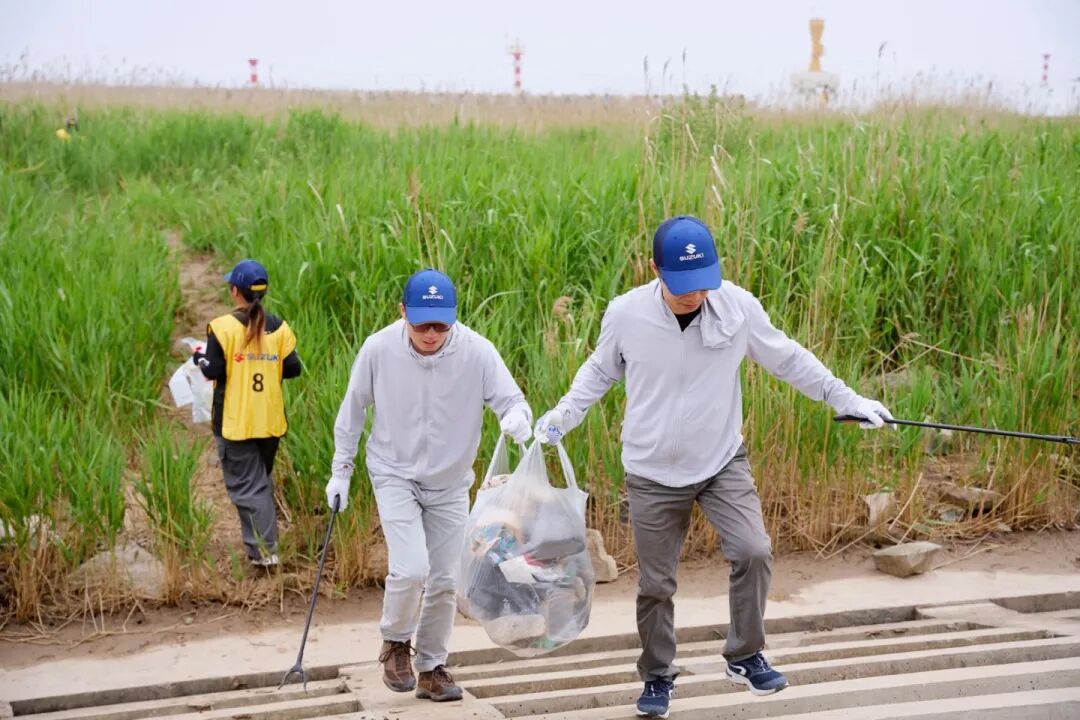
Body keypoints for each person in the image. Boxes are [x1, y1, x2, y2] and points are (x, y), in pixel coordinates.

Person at [535, 216, 892, 718]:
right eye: (683, 287)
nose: (696, 295)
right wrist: (563, 415)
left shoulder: (738, 306)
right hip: (652, 471)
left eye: (704, 283)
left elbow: (787, 358)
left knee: (754, 550)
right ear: (655, 269)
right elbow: (600, 370)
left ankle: (745, 655)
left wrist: (848, 398)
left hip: (721, 460)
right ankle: (658, 676)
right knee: (656, 585)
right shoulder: (626, 314)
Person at [325, 268, 532, 703]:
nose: (432, 334)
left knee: (444, 579)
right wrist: (340, 471)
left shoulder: (477, 351)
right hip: (394, 473)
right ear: (403, 313)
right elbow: (353, 411)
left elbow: (511, 399)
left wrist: (517, 418)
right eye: (422, 324)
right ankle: (395, 643)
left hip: (450, 480)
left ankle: (432, 666)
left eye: (441, 324)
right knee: (411, 568)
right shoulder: (379, 349)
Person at [194, 259, 302, 567]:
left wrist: (197, 360)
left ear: (234, 291)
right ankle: (263, 549)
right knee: (258, 484)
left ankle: (265, 553)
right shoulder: (278, 327)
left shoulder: (223, 328)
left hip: (236, 423)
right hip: (270, 422)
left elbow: (213, 368)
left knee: (249, 488)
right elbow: (293, 368)